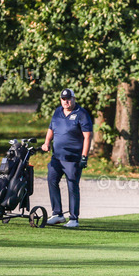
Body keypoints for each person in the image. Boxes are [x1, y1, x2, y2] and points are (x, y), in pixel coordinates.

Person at [41, 88, 93, 228]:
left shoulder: (81, 114)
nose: (66, 101)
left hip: (73, 159)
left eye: (68, 99)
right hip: (57, 157)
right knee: (52, 181)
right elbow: (51, 129)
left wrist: (84, 157)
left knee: (72, 186)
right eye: (63, 99)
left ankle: (74, 219)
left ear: (74, 99)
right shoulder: (58, 112)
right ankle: (57, 214)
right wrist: (47, 143)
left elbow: (87, 136)